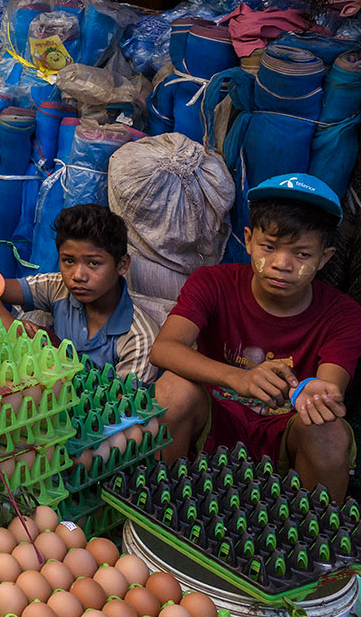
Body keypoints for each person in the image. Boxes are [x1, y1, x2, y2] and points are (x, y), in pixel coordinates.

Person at [149, 175, 361, 502]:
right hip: (215, 418)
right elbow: (164, 349)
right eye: (269, 247)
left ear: (324, 258)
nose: (282, 264)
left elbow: (329, 386)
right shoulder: (213, 283)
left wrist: (317, 393)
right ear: (248, 240)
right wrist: (239, 378)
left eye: (302, 254)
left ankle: (312, 529)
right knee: (172, 389)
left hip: (286, 434)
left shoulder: (343, 313)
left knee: (327, 428)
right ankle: (158, 503)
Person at [0, 205, 160, 381]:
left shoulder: (138, 338)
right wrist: (12, 326)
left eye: (94, 263)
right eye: (69, 261)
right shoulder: (58, 287)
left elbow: (125, 398)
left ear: (122, 265)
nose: (78, 276)